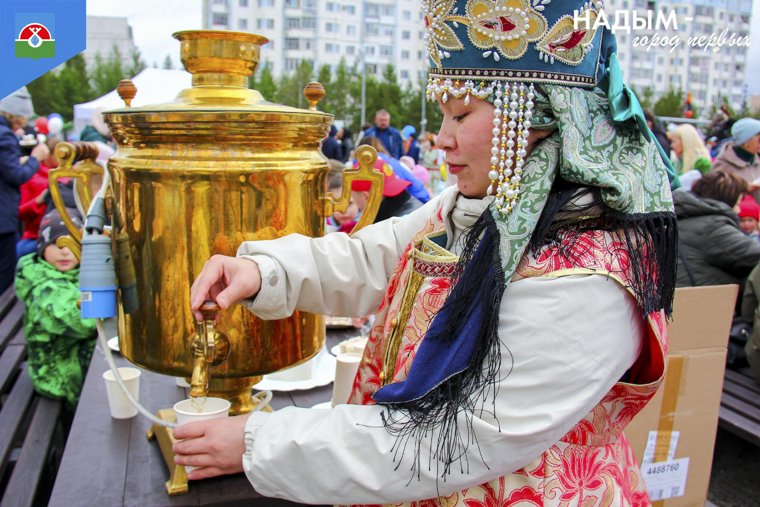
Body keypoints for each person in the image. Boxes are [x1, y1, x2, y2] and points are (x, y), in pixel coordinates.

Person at [174, 2, 679, 504]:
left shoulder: (594, 270)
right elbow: (380, 256)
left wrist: (259, 442)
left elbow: (453, 439)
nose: (441, 139)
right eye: (443, 115)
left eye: (460, 114)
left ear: (538, 117)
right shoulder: (485, 206)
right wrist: (263, 271)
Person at [14, 208, 97, 410]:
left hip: (77, 366)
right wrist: (107, 302)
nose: (64, 250)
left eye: (72, 242)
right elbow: (79, 322)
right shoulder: (42, 285)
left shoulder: (78, 272)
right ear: (42, 247)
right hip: (57, 378)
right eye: (55, 243)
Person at [0, 87, 50, 293]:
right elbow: (16, 176)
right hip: (3, 218)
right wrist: (35, 159)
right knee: (5, 271)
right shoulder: (4, 135)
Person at [674, 171, 760, 289]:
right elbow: (754, 255)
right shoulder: (712, 227)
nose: (739, 210)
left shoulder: (685, 220)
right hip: (708, 303)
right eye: (737, 203)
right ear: (726, 202)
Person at [17, 138, 61, 259]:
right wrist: (39, 200)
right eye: (59, 155)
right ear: (48, 155)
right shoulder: (31, 175)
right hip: (35, 236)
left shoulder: (72, 174)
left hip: (66, 236)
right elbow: (20, 212)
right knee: (20, 251)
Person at [712, 117, 760, 201]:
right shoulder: (723, 164)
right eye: (759, 139)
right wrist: (743, 188)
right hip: (735, 213)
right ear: (746, 141)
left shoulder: (757, 160)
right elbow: (715, 194)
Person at [668, 124, 712, 190]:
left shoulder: (702, 163)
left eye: (674, 141)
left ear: (685, 141)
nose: (672, 145)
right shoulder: (677, 162)